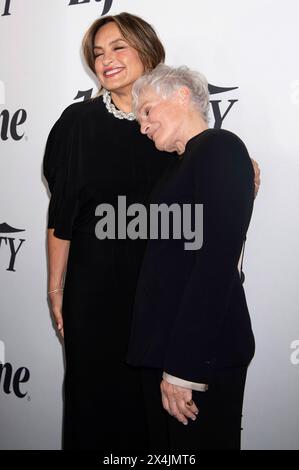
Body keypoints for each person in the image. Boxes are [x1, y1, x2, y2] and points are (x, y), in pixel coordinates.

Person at [44, 12, 260, 451]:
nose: (107, 60)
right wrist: (56, 286)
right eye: (98, 53)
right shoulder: (78, 123)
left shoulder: (170, 121)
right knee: (98, 410)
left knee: (161, 427)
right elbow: (62, 214)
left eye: (118, 47)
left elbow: (208, 203)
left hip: (162, 298)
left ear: (146, 49)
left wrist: (242, 168)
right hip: (98, 293)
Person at [127, 64, 256, 450]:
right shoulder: (178, 167)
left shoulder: (220, 146)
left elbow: (215, 265)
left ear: (182, 95)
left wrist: (184, 370)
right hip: (166, 353)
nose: (143, 125)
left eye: (147, 111)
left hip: (198, 358)